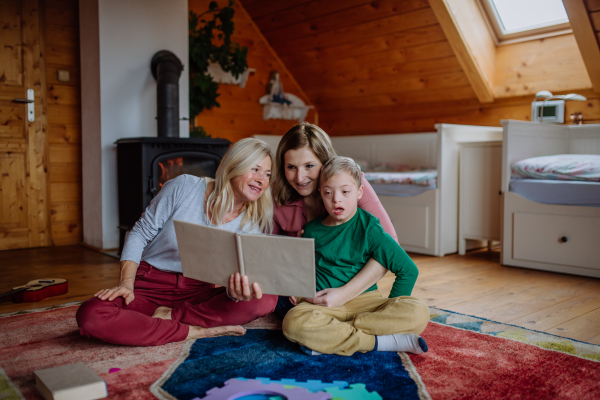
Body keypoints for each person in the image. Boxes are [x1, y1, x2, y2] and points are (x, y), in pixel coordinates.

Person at [76, 138, 278, 346]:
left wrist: (235, 292)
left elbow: (234, 279)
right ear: (235, 165)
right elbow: (139, 232)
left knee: (266, 297)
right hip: (150, 284)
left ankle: (170, 317)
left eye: (267, 174)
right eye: (255, 169)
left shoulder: (251, 225)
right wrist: (126, 284)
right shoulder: (184, 187)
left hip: (198, 292)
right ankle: (190, 331)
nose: (262, 180)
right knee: (91, 314)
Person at [282, 157, 430, 356]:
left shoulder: (370, 227)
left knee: (419, 311)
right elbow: (306, 272)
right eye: (328, 193)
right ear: (320, 193)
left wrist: (390, 310)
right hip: (326, 305)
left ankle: (333, 338)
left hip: (367, 305)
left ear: (359, 192)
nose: (336, 199)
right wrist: (299, 293)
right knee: (292, 322)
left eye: (345, 192)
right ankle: (378, 342)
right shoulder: (311, 231)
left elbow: (408, 270)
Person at [272, 122, 396, 312]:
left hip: (352, 288)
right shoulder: (275, 196)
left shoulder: (352, 183)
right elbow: (267, 252)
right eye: (291, 167)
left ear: (325, 162)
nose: (299, 177)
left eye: (309, 166)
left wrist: (343, 294)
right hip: (301, 290)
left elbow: (390, 246)